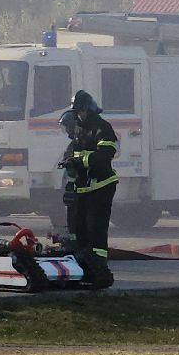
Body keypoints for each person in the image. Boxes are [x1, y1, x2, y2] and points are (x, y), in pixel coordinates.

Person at [59, 90, 118, 288]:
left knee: (96, 230)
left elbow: (104, 155)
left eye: (81, 111)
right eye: (76, 111)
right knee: (80, 230)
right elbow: (77, 151)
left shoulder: (103, 128)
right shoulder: (78, 129)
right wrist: (70, 163)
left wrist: (80, 160)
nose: (79, 114)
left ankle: (99, 269)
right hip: (84, 188)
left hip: (102, 186)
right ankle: (84, 268)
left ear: (89, 109)